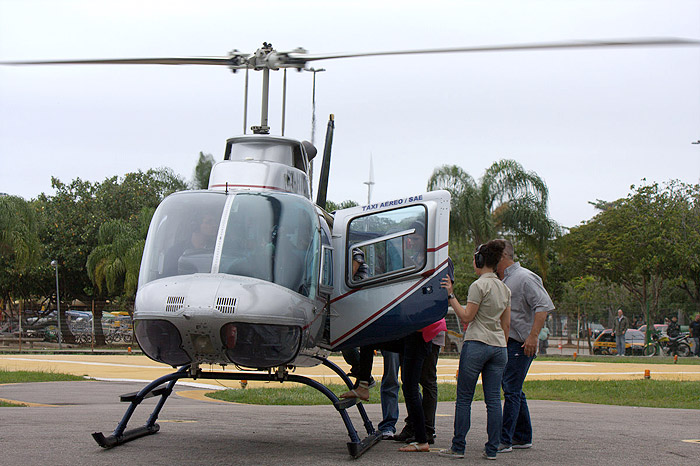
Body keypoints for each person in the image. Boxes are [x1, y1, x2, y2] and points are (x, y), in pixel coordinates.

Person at [438, 240, 511, 460]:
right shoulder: (505, 288)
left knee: (464, 399)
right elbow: (506, 324)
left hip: (477, 343)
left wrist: (451, 296)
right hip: (499, 346)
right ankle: (492, 449)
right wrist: (502, 345)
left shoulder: (478, 286)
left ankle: (458, 447)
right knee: (493, 400)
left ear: (479, 261)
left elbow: (467, 316)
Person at [497, 239, 555, 453]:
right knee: (513, 388)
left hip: (521, 343)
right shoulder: (503, 279)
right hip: (508, 341)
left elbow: (543, 307)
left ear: (503, 256)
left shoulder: (525, 278)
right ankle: (523, 436)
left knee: (511, 389)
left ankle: (506, 439)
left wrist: (533, 337)